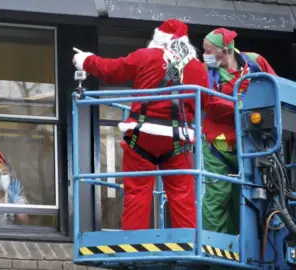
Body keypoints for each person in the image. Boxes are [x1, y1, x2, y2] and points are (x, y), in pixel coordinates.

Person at [72, 19, 209, 230]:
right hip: (177, 139)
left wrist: (86, 60)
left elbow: (112, 70)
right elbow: (205, 102)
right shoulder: (197, 68)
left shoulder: (146, 56)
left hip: (141, 134)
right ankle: (188, 242)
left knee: (137, 193)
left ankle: (132, 241)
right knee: (183, 196)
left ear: (158, 39)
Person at [201, 28, 276, 235]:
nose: (204, 55)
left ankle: (237, 251)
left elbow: (275, 88)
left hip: (252, 145)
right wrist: (244, 106)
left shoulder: (255, 62)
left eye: (208, 51)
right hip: (218, 147)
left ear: (224, 51)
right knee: (217, 198)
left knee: (246, 197)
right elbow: (211, 104)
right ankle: (212, 250)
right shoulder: (206, 73)